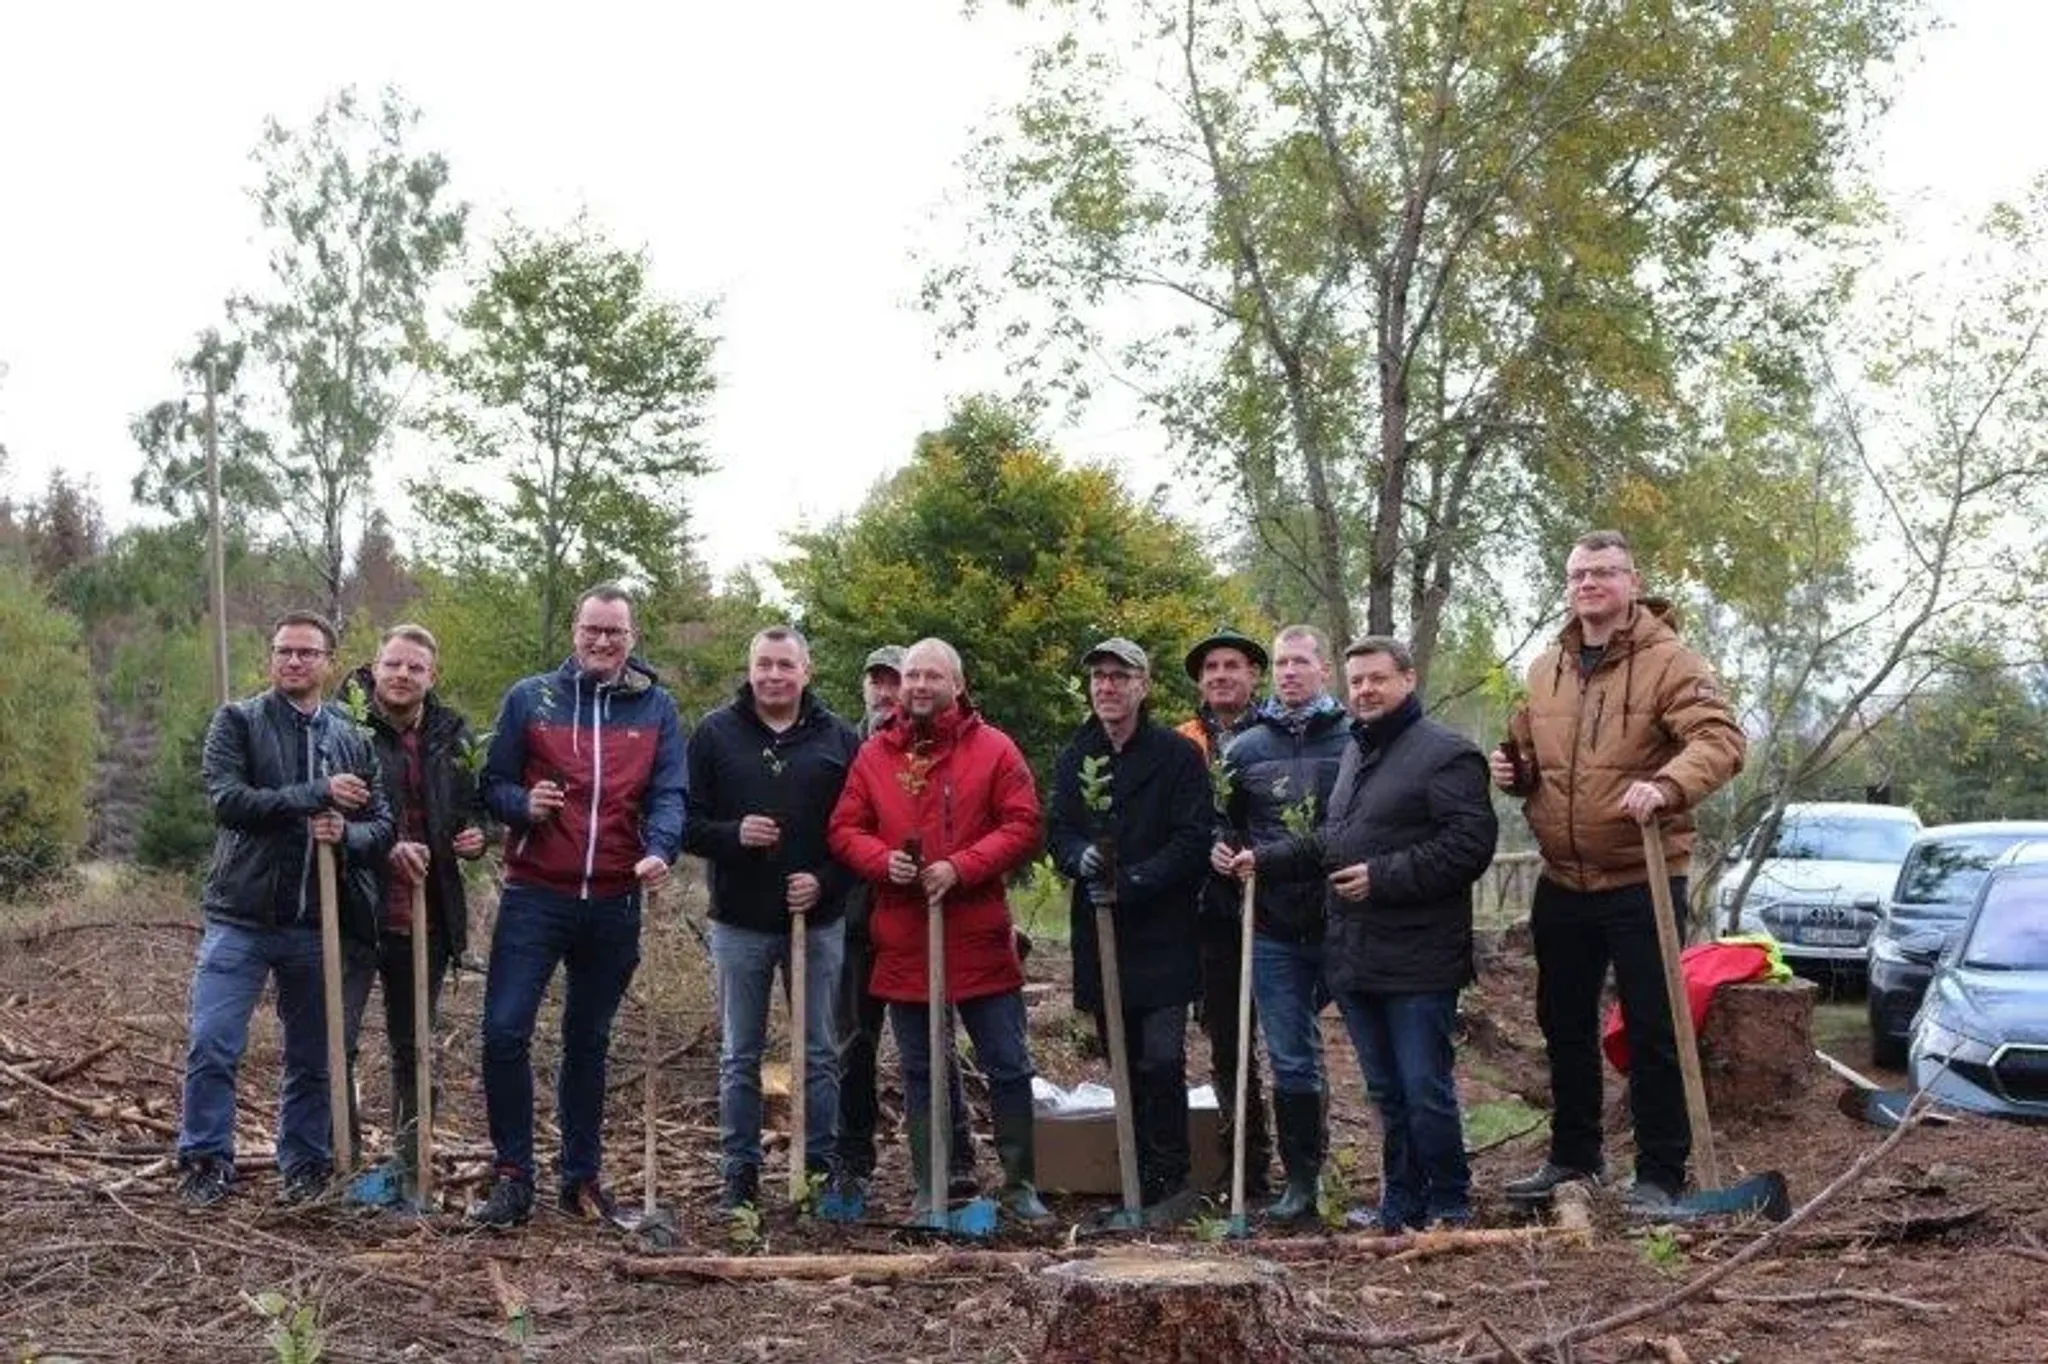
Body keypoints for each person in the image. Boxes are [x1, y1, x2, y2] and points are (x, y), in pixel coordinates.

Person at [1491, 530, 1745, 1213]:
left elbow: (1721, 740)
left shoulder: (1671, 661)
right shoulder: (1547, 667)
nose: (1589, 584)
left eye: (1604, 572)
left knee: (1655, 1025)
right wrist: (1513, 772)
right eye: (1579, 574)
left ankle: (1661, 1170)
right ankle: (1575, 1157)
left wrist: (1665, 785)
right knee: (1562, 1023)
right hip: (1564, 877)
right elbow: (1530, 756)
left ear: (1633, 582)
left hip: (1644, 875)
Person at [1238, 637, 1497, 1230]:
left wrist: (1383, 877)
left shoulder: (1446, 753)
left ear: (1408, 679)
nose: (1364, 691)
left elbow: (1469, 845)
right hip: (1355, 953)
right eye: (1356, 682)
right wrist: (1266, 858)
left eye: (1377, 679)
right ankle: (1400, 1203)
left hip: (1420, 955)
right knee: (1385, 1091)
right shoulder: (1359, 750)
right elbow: (1334, 841)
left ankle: (1450, 1203)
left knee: (1423, 1086)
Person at [471, 583, 687, 1228]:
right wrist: (522, 805)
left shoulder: (656, 708)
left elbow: (672, 791)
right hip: (537, 892)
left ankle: (581, 1177)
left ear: (632, 637)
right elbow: (493, 784)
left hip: (616, 898)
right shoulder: (530, 698)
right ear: (574, 631)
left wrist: (664, 848)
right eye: (592, 630)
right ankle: (513, 1174)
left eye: (614, 632)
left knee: (588, 1041)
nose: (602, 641)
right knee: (504, 1030)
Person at [827, 638, 1052, 1222]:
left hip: (978, 932)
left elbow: (1024, 824)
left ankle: (1020, 1183)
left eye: (932, 676)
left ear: (957, 683)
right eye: (912, 677)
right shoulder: (876, 756)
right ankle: (931, 1188)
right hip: (904, 937)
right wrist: (882, 862)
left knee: (1007, 1061)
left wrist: (962, 865)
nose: (920, 686)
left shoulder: (995, 750)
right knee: (922, 1068)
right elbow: (845, 827)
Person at [177, 611, 394, 1208]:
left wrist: (345, 836)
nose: (293, 662)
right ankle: (204, 1161)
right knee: (214, 1043)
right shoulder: (239, 721)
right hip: (240, 918)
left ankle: (304, 1165)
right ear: (272, 658)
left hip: (314, 924)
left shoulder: (351, 736)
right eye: (283, 651)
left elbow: (382, 823)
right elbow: (229, 802)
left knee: (312, 1057)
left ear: (328, 660)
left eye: (306, 653)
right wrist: (313, 797)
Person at [684, 625, 860, 1211]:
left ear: (806, 671)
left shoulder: (839, 738)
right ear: (750, 668)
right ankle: (740, 1173)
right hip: (739, 922)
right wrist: (733, 834)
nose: (775, 676)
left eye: (786, 665)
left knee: (818, 1052)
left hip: (819, 920)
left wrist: (826, 881)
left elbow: (860, 831)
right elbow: (684, 823)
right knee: (741, 1054)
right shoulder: (715, 734)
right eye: (765, 664)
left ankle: (817, 1170)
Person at [1049, 638, 1211, 1224]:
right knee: (1121, 1059)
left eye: (1120, 676)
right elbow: (1060, 829)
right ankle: (1136, 1178)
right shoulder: (1077, 756)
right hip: (1101, 931)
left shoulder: (1176, 756)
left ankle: (1172, 1180)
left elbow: (1193, 841)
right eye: (1098, 676)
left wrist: (1135, 880)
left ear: (1144, 685)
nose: (1107, 686)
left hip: (1162, 934)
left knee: (1161, 1059)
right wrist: (1080, 858)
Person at [336, 624, 490, 1196]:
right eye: (393, 664)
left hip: (425, 917)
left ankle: (409, 1171)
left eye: (415, 668)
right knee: (337, 1043)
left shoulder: (452, 736)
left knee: (413, 1050)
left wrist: (478, 835)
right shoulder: (341, 727)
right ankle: (342, 1168)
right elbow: (326, 809)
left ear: (433, 675)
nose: (402, 675)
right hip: (354, 911)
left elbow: (474, 807)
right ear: (374, 667)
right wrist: (381, 846)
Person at [1211, 625, 1350, 1221]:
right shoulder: (1244, 749)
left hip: (1343, 917)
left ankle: (1401, 1175)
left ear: (1323, 670)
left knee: (1372, 1050)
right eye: (1282, 663)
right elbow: (1223, 821)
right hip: (1269, 923)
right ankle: (1301, 1183)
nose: (1290, 672)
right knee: (1290, 1053)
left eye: (1301, 662)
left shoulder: (1354, 741)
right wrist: (1220, 849)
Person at [831, 645, 977, 1208]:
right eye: (881, 680)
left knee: (932, 1047)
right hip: (852, 919)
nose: (890, 691)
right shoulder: (848, 745)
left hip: (917, 918)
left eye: (901, 680)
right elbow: (838, 829)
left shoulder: (929, 746)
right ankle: (851, 1163)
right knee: (854, 1045)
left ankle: (953, 1161)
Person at [1175, 626, 1275, 1198]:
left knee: (1290, 1042)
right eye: (1210, 667)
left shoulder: (1277, 732)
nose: (1220, 675)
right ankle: (1245, 1164)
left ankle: (1305, 1170)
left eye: (1231, 665)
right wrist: (1204, 848)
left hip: (1278, 905)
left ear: (1252, 673)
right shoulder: (1184, 741)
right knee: (1227, 1042)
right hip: (1210, 910)